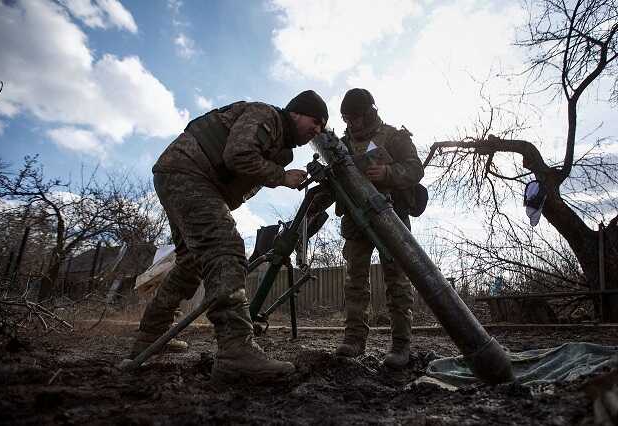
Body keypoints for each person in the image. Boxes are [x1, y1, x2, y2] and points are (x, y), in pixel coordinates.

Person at [129, 90, 328, 383]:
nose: (317, 130)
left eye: (322, 128)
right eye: (315, 121)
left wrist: (280, 173)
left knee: (190, 261)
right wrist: (282, 177)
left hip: (181, 173)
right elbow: (238, 155)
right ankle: (235, 351)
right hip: (189, 172)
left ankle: (150, 335)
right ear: (296, 112)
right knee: (226, 248)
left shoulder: (277, 140)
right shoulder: (266, 115)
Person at [335, 88, 423, 369]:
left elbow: (415, 169)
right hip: (356, 218)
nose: (351, 124)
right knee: (355, 282)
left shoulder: (394, 137)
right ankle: (354, 339)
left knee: (397, 281)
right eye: (346, 118)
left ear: (370, 112)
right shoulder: (342, 144)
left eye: (356, 117)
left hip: (391, 215)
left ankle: (401, 345)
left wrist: (387, 173)